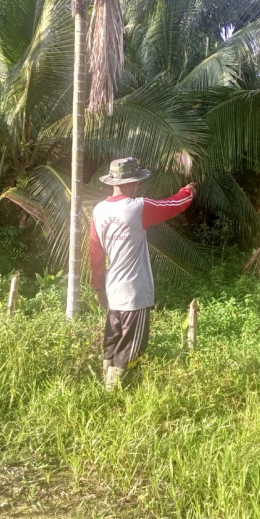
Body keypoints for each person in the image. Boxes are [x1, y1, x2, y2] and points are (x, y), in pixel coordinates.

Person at [89, 157, 196, 390]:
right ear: (131, 183)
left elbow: (95, 253)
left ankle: (106, 384)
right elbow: (172, 205)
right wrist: (187, 192)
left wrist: (98, 286)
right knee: (132, 346)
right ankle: (115, 392)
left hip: (113, 289)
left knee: (113, 340)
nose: (138, 186)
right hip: (135, 293)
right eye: (137, 181)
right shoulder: (137, 207)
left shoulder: (99, 210)